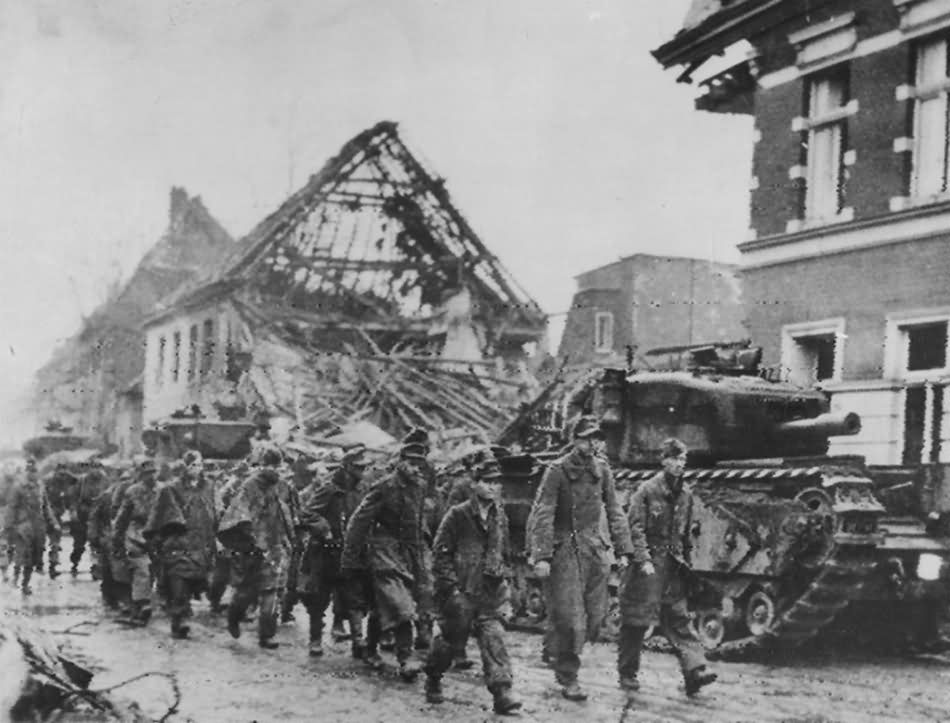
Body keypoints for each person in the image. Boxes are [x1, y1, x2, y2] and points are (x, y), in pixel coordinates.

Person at [528, 415, 634, 701]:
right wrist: (542, 555)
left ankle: (555, 644)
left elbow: (614, 510)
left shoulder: (603, 470)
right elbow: (544, 512)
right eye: (587, 437)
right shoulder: (557, 470)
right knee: (573, 619)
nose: (593, 443)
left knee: (596, 618)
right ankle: (568, 676)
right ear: (575, 439)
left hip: (594, 549)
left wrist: (624, 549)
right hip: (566, 548)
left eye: (597, 438)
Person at [618, 438, 716, 698]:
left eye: (683, 460)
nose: (679, 465)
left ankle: (695, 671)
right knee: (636, 622)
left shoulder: (685, 494)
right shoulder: (647, 490)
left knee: (679, 618)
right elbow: (635, 528)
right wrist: (644, 559)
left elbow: (684, 535)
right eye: (675, 459)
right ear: (664, 461)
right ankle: (627, 673)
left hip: (672, 568)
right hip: (647, 568)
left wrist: (686, 563)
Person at [424, 459, 522, 715]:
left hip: (490, 590)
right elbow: (440, 552)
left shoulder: (500, 515)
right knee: (450, 640)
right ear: (475, 483)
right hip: (462, 591)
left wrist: (509, 584)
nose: (493, 487)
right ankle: (433, 676)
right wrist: (451, 588)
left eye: (496, 482)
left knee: (494, 637)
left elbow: (505, 552)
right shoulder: (458, 514)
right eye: (487, 482)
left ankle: (502, 692)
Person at [341, 441, 434, 681]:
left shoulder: (420, 486)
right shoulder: (384, 487)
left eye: (420, 464)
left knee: (383, 606)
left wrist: (424, 550)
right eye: (412, 463)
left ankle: (370, 648)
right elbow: (358, 522)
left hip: (409, 554)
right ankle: (406, 659)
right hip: (383, 553)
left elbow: (418, 520)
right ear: (400, 461)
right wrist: (350, 558)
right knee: (401, 606)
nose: (416, 469)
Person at [296, 443, 372, 658]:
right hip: (325, 553)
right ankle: (315, 640)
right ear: (347, 467)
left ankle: (359, 641)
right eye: (358, 468)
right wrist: (324, 529)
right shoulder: (329, 488)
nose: (362, 471)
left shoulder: (362, 489)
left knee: (354, 598)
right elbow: (307, 513)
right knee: (318, 598)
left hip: (351, 554)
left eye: (364, 467)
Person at [219, 445, 296, 649]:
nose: (274, 470)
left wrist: (289, 539)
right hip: (252, 548)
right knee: (247, 592)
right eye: (270, 466)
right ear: (261, 466)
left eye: (278, 466)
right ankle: (234, 617)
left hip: (275, 546)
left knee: (271, 592)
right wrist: (251, 538)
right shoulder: (250, 486)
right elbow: (239, 514)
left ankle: (267, 635)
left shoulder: (283, 486)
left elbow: (291, 512)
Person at [145, 450, 218, 639]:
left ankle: (181, 615)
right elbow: (157, 515)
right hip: (177, 543)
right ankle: (180, 619)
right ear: (184, 467)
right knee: (178, 584)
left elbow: (216, 512)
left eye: (199, 464)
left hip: (202, 544)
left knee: (196, 582)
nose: (196, 469)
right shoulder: (171, 489)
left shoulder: (209, 487)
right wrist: (156, 539)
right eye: (192, 465)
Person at [112, 458, 159, 626]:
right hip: (135, 537)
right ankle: (142, 604)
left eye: (153, 473)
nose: (151, 477)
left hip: (156, 538)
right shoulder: (132, 491)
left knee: (151, 573)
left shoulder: (163, 491)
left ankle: (137, 607)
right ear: (141, 475)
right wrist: (116, 538)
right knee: (142, 570)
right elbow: (122, 517)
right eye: (147, 473)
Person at [4, 457, 62, 595]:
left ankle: (25, 582)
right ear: (26, 471)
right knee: (23, 554)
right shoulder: (18, 488)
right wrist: (8, 526)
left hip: (38, 526)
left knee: (37, 555)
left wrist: (54, 522)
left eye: (35, 471)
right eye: (30, 471)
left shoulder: (40, 487)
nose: (32, 473)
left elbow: (46, 507)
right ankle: (19, 581)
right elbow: (12, 507)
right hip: (23, 526)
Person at [69, 466, 106, 576]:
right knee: (79, 545)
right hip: (82, 515)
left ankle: (95, 567)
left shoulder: (104, 480)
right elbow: (73, 497)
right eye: (94, 467)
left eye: (98, 467)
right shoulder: (82, 481)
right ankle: (75, 563)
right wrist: (73, 511)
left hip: (98, 515)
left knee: (96, 543)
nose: (96, 470)